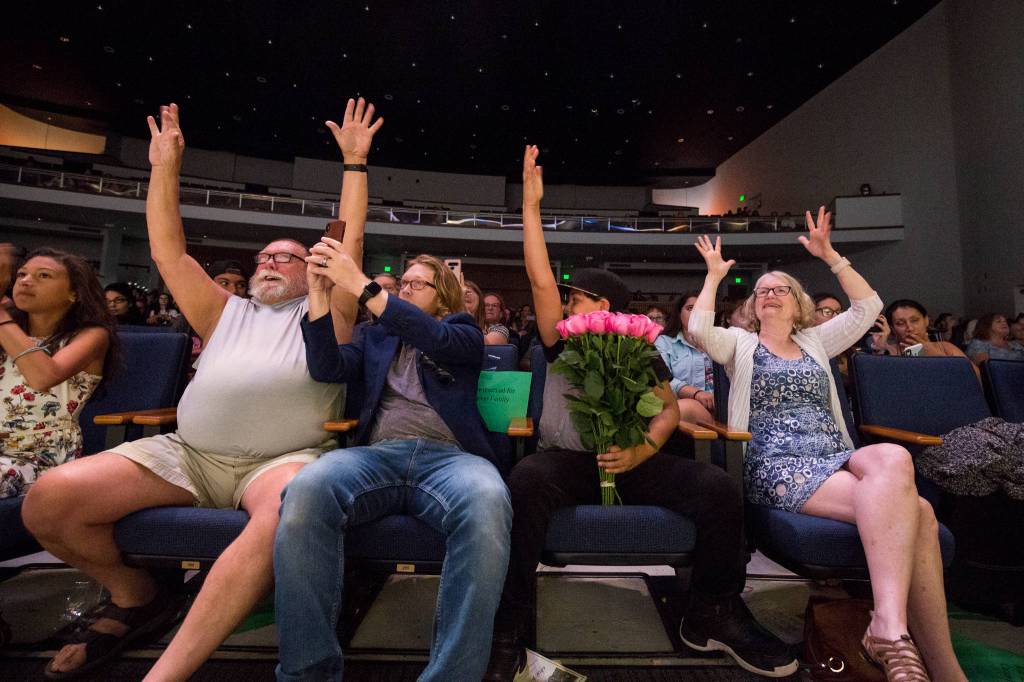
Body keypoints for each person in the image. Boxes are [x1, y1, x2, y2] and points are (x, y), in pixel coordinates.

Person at [22, 96, 380, 680]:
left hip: (281, 461)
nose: (269, 263)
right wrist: (164, 166)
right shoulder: (221, 311)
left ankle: (168, 671)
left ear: (312, 266)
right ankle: (138, 594)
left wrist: (355, 166)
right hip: (187, 456)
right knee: (49, 501)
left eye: (287, 258)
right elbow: (168, 250)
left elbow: (352, 242)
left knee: (288, 512)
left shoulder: (327, 311)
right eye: (264, 256)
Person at [487, 146, 797, 680]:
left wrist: (640, 450)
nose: (563, 304)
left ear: (603, 306)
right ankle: (508, 625)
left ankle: (711, 613)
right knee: (526, 478)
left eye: (575, 298)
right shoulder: (562, 341)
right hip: (570, 462)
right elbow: (539, 280)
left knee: (718, 488)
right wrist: (532, 209)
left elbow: (668, 412)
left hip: (632, 459)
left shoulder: (641, 347)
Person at [690, 208, 965, 681]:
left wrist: (830, 256)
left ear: (798, 305)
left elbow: (869, 307)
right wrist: (715, 277)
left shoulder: (818, 340)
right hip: (776, 464)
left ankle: (889, 627)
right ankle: (936, 663)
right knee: (916, 512)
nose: (770, 294)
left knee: (895, 456)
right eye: (762, 292)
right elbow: (698, 330)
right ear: (754, 308)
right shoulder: (740, 344)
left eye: (780, 289)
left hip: (836, 456)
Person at [274, 251, 511, 682]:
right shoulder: (375, 335)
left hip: (450, 459)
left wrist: (365, 287)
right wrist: (318, 295)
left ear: (444, 296)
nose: (404, 288)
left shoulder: (461, 330)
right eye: (403, 283)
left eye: (417, 284)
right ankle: (308, 672)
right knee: (306, 489)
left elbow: (435, 340)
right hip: (378, 456)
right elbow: (328, 368)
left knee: (488, 500)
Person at [0, 249, 117, 499]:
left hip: (38, 456)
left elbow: (44, 376)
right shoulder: (7, 330)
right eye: (21, 274)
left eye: (43, 275)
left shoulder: (92, 335)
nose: (26, 280)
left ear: (74, 293)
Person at [654, 293, 715, 425]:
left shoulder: (718, 341)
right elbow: (663, 380)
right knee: (683, 408)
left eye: (702, 308)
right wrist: (696, 394)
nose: (696, 313)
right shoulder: (664, 342)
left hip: (718, 409)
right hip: (679, 407)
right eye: (690, 308)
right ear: (679, 313)